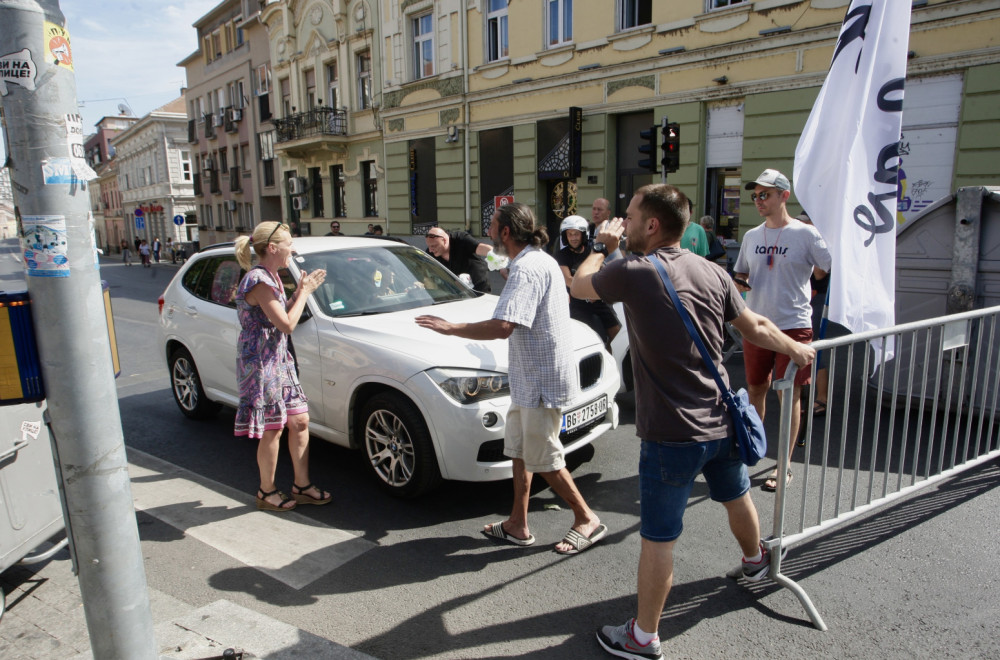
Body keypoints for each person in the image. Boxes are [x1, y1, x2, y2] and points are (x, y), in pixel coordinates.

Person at [570, 184, 815, 660]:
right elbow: (758, 328)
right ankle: (755, 561)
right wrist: (797, 348)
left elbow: (579, 285)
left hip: (672, 432)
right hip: (723, 418)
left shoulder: (634, 271)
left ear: (652, 225)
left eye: (630, 215)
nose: (624, 220)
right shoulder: (710, 270)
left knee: (659, 537)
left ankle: (643, 637)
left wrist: (602, 246)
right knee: (736, 493)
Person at [416, 203, 607, 555]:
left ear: (505, 232)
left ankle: (586, 518)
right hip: (529, 376)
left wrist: (451, 328)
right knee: (519, 449)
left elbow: (503, 327)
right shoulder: (537, 260)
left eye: (492, 225)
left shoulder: (527, 269)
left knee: (543, 455)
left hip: (540, 379)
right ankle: (518, 523)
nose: (488, 230)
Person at [733, 169, 831, 491]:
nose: (759, 201)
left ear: (783, 196)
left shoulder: (806, 234)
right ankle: (754, 452)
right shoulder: (750, 236)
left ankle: (785, 464)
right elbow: (741, 276)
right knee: (756, 390)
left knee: (787, 395)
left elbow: (824, 270)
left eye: (765, 194)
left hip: (794, 327)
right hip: (757, 326)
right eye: (755, 195)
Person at [233, 221, 331, 512]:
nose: (293, 247)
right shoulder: (259, 280)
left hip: (279, 358)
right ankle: (266, 491)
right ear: (273, 247)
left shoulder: (273, 276)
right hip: (261, 363)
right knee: (273, 429)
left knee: (300, 421)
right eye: (289, 242)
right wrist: (305, 292)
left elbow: (281, 316)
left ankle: (301, 485)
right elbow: (287, 324)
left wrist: (298, 291)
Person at [556, 215, 620, 350]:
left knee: (616, 333)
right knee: (590, 336)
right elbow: (568, 279)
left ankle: (609, 357)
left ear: (584, 234)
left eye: (576, 234)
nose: (573, 237)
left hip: (598, 298)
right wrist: (588, 291)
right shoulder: (562, 255)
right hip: (577, 301)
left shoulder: (593, 250)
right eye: (570, 234)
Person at [425, 226, 495, 294]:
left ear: (445, 240)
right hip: (456, 291)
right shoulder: (430, 254)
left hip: (478, 285)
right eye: (429, 246)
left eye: (433, 246)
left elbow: (480, 248)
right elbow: (423, 270)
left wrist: (497, 255)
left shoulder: (460, 239)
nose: (430, 250)